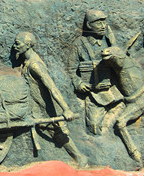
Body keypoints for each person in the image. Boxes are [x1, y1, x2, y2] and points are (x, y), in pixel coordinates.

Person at [13, 31, 88, 167]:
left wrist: (66, 109)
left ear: (28, 45)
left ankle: (80, 157)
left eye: (18, 43)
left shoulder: (35, 65)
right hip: (34, 104)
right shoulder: (27, 62)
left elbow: (52, 87)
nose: (14, 46)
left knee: (57, 133)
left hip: (46, 106)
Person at [68, 10, 123, 135]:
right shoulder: (79, 44)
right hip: (94, 94)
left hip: (115, 92)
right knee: (94, 128)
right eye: (98, 23)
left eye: (104, 22)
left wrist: (114, 45)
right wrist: (79, 83)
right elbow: (71, 69)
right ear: (88, 25)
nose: (103, 26)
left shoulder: (108, 41)